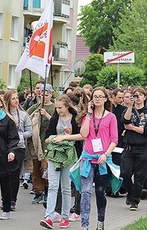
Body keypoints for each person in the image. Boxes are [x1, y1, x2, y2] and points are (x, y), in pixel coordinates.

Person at [71, 87, 120, 230]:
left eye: (100, 97)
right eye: (95, 97)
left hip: (103, 159)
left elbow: (114, 139)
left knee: (100, 192)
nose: (97, 99)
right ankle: (84, 225)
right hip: (87, 158)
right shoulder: (88, 116)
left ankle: (100, 221)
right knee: (85, 192)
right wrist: (88, 114)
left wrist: (106, 154)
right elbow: (84, 134)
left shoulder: (111, 117)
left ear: (106, 99)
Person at [40, 95, 83, 229]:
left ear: (67, 106)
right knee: (53, 185)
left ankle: (65, 217)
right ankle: (49, 217)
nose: (58, 110)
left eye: (60, 108)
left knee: (66, 187)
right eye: (56, 108)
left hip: (69, 156)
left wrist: (65, 139)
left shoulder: (75, 119)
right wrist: (55, 139)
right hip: (54, 155)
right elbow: (47, 138)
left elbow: (81, 136)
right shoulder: (54, 119)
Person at [121, 87, 147, 211]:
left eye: (140, 95)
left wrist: (132, 128)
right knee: (125, 173)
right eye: (135, 95)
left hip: (143, 148)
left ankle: (134, 201)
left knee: (139, 176)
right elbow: (124, 121)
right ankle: (131, 193)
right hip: (129, 147)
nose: (137, 97)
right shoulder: (128, 110)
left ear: (144, 97)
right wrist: (130, 106)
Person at [4, 90, 32, 211]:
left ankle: (12, 200)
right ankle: (5, 198)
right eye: (13, 98)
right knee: (5, 174)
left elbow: (29, 132)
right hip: (5, 147)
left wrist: (20, 136)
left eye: (17, 98)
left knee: (15, 173)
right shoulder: (3, 114)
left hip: (19, 146)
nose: (16, 100)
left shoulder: (24, 115)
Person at [27, 84, 55, 204]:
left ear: (51, 94)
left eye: (47, 94)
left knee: (46, 168)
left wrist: (47, 115)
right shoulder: (35, 106)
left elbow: (57, 123)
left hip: (48, 143)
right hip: (36, 142)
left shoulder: (54, 108)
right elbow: (26, 117)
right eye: (42, 94)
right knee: (35, 169)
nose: (44, 97)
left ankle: (49, 190)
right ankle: (38, 192)